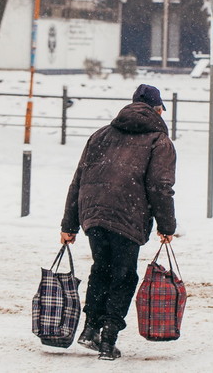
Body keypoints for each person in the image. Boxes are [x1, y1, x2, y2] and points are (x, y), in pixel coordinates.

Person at [60, 84, 177, 361]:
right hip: (128, 212)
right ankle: (108, 338)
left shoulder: (101, 134)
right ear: (157, 109)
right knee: (123, 275)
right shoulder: (159, 141)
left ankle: (90, 329)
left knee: (102, 268)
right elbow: (160, 186)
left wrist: (69, 224)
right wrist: (167, 225)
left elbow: (78, 179)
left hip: (94, 213)